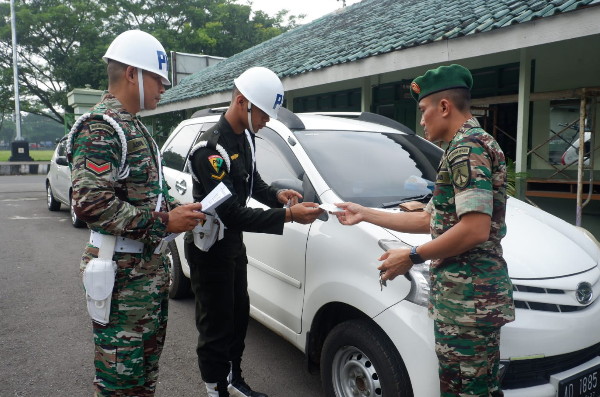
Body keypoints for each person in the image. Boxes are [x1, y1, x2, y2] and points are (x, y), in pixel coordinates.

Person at [335, 64, 515, 396]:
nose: (421, 120)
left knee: (468, 391)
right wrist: (365, 214)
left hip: (470, 304)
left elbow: (474, 229)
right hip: (465, 303)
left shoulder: (467, 149)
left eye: (423, 110)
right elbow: (428, 219)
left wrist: (412, 255)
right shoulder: (465, 146)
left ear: (444, 107)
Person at [68, 29, 205, 396]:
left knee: (143, 380)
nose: (164, 87)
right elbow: (90, 203)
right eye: (158, 79)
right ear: (132, 74)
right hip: (122, 278)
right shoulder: (103, 126)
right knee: (120, 385)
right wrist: (165, 222)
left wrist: (175, 212)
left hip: (143, 277)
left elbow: (139, 196)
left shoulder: (134, 126)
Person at [184, 66, 323, 397]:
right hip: (210, 247)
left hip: (232, 245)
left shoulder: (245, 137)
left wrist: (276, 195)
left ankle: (234, 379)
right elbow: (230, 213)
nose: (266, 121)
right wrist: (287, 215)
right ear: (242, 101)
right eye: (263, 113)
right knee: (215, 327)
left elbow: (251, 181)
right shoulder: (210, 150)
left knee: (237, 318)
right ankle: (216, 388)